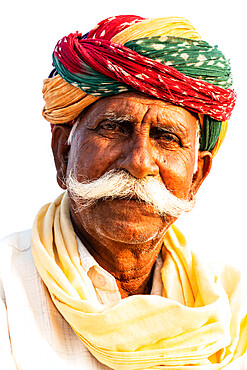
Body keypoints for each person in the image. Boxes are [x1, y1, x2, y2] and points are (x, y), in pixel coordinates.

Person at [0, 15, 246, 370]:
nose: (139, 162)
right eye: (114, 127)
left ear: (197, 178)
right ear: (63, 152)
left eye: (167, 137)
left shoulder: (231, 305)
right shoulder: (9, 288)